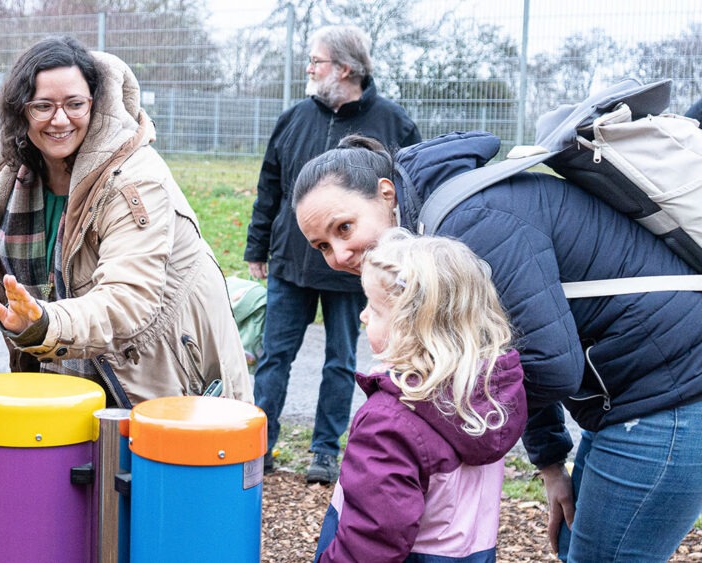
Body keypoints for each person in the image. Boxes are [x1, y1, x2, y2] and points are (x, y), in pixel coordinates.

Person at [293, 133, 702, 561]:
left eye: (344, 228)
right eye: (322, 245)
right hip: (630, 390)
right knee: (573, 544)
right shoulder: (439, 229)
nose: (339, 255)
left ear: (386, 193)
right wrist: (550, 463)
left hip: (668, 391)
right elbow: (507, 347)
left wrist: (428, 419)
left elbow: (545, 364)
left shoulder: (469, 223)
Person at [0, 35, 251, 407]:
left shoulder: (134, 180)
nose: (60, 119)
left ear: (96, 103)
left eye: (75, 104)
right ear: (21, 110)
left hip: (160, 374)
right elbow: (39, 256)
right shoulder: (10, 168)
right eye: (43, 106)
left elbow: (128, 299)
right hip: (72, 360)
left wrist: (46, 323)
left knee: (124, 465)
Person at [244, 24, 420, 483]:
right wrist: (256, 246)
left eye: (317, 60)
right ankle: (259, 445)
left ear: (344, 68)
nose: (309, 68)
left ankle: (324, 451)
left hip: (356, 267)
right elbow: (269, 187)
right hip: (290, 261)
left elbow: (409, 193)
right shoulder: (293, 118)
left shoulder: (393, 123)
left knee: (341, 359)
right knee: (274, 356)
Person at [314, 227, 526, 562]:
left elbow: (370, 542)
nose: (363, 314)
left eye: (376, 308)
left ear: (414, 328)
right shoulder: (487, 397)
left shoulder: (389, 422)